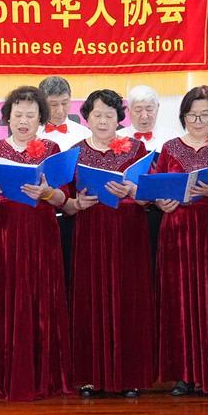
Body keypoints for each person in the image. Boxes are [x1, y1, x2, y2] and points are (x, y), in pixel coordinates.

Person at [62, 89, 154, 398]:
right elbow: (65, 203)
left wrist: (132, 191)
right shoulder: (74, 152)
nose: (103, 121)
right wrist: (77, 203)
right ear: (86, 118)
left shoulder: (137, 149)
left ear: (119, 119)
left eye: (109, 115)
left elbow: (149, 197)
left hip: (129, 235)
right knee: (90, 298)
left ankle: (130, 376)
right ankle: (90, 376)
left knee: (129, 299)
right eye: (97, 115)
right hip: (90, 233)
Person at [0, 86, 72, 400]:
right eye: (18, 114)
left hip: (44, 232)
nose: (23, 121)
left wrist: (47, 192)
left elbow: (64, 199)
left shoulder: (52, 148)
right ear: (7, 117)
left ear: (40, 118)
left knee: (43, 300)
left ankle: (46, 377)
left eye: (30, 115)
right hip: (8, 233)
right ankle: (12, 376)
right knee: (11, 300)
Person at [154, 87, 208, 397]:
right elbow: (157, 188)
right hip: (177, 232)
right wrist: (162, 202)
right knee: (179, 302)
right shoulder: (169, 148)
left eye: (205, 115)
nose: (199, 121)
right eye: (193, 115)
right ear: (183, 116)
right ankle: (185, 375)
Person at [36, 76, 86, 295]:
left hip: (76, 213)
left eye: (65, 103)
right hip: (41, 215)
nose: (59, 110)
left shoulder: (84, 134)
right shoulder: (31, 133)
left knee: (74, 278)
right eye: (53, 104)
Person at [118, 85, 167, 276]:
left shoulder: (172, 138)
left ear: (158, 108)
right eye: (138, 110)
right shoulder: (118, 139)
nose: (144, 115)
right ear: (129, 111)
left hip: (162, 213)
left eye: (149, 109)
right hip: (129, 215)